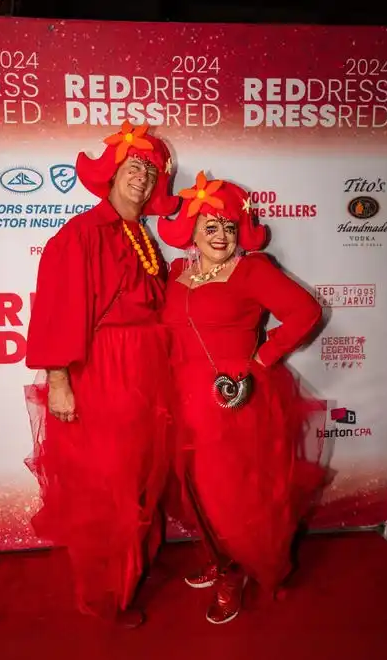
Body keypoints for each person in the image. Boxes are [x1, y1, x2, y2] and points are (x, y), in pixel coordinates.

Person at [24, 120, 179, 628]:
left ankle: (132, 571)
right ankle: (111, 590)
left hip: (148, 369)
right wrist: (60, 380)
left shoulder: (142, 236)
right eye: (133, 166)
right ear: (111, 175)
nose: (142, 176)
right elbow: (58, 312)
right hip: (106, 369)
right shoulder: (82, 235)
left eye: (150, 171)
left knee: (138, 477)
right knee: (111, 481)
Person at [158, 172, 326, 625]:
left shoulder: (252, 270)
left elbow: (306, 313)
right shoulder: (178, 274)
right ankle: (219, 557)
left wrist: (260, 361)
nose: (221, 235)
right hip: (182, 398)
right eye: (210, 225)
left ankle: (239, 571)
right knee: (195, 490)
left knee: (232, 494)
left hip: (232, 402)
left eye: (229, 226)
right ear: (191, 231)